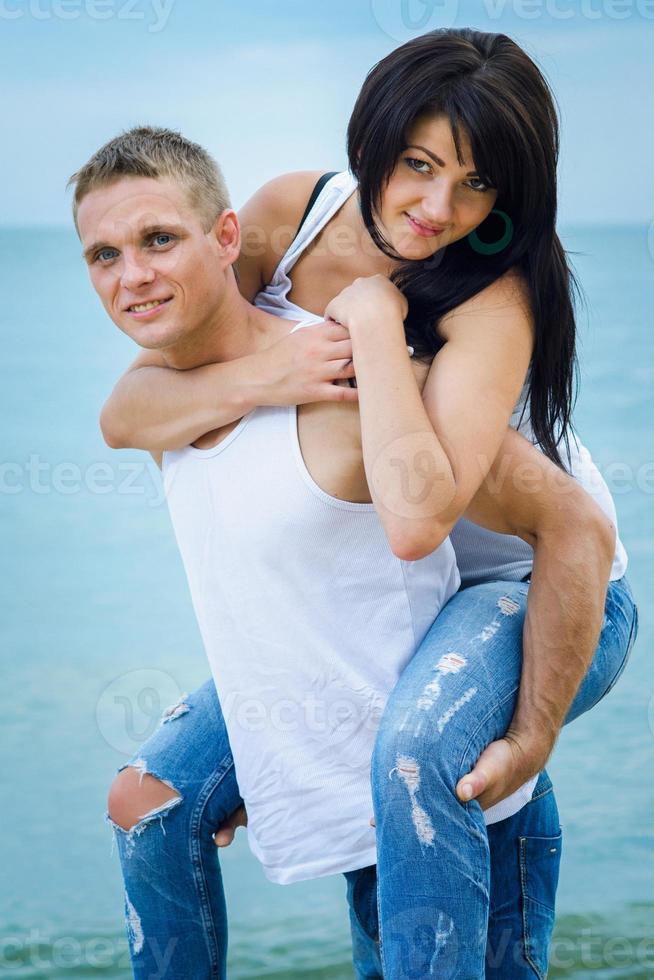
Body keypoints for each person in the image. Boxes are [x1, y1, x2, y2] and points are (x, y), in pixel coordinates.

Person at [81, 33, 637, 980]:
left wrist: (531, 734)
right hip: (383, 602)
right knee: (154, 800)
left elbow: (545, 526)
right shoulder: (293, 215)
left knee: (417, 752)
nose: (436, 208)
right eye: (417, 165)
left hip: (532, 588)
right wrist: (270, 374)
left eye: (476, 184)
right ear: (373, 136)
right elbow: (135, 406)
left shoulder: (488, 304)